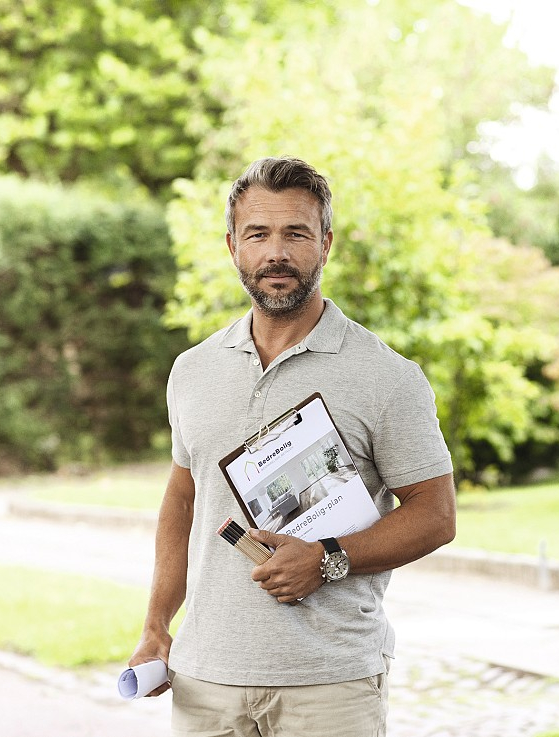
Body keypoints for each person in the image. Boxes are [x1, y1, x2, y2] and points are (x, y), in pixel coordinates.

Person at [129, 156, 457, 737]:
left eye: (296, 234)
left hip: (330, 683)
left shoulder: (387, 377)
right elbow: (183, 497)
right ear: (233, 245)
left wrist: (329, 557)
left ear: (325, 244)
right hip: (207, 680)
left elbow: (436, 515)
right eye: (258, 234)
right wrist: (156, 623)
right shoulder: (192, 370)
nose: (275, 253)